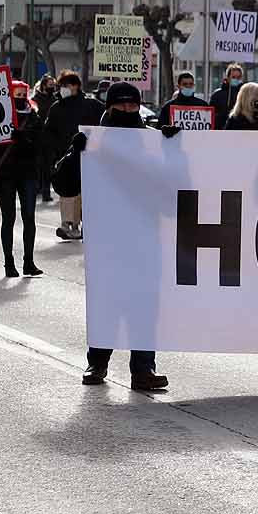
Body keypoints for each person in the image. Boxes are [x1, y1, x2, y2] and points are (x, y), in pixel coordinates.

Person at [52, 81, 169, 391]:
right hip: (107, 239)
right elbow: (64, 186)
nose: (128, 110)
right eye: (122, 106)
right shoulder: (92, 139)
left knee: (144, 304)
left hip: (145, 235)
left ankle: (143, 369)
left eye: (133, 105)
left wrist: (174, 147)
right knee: (108, 301)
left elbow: (175, 184)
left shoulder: (151, 140)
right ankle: (98, 362)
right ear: (109, 107)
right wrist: (75, 155)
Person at [44, 69, 104, 241]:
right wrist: (54, 153)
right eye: (60, 85)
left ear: (76, 86)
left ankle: (78, 224)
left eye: (66, 85)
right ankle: (68, 223)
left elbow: (105, 123)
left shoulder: (91, 105)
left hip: (89, 156)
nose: (62, 88)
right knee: (67, 191)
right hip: (65, 157)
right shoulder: (56, 107)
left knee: (82, 192)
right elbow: (49, 132)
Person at [0, 80, 45, 279]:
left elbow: (41, 143)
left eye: (24, 94)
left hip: (28, 173)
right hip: (6, 173)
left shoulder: (33, 116)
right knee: (9, 218)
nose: (21, 98)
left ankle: (28, 262)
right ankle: (9, 263)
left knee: (29, 218)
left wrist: (26, 139)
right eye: (17, 94)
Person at [34, 76, 59, 202]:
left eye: (53, 85)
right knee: (38, 165)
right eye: (50, 85)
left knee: (48, 166)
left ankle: (46, 192)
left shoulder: (55, 100)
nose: (52, 87)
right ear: (44, 85)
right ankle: (37, 188)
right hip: (37, 138)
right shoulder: (35, 100)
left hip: (50, 138)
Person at [209, 62, 246, 128]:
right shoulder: (217, 94)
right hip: (221, 129)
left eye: (238, 77)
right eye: (233, 77)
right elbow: (211, 115)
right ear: (228, 77)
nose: (236, 79)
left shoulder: (245, 94)